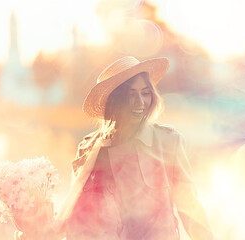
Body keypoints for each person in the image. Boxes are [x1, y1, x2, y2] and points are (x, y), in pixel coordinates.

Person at [15, 56, 213, 240]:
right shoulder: (89, 149)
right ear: (115, 100)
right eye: (131, 94)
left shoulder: (167, 142)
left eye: (145, 93)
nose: (140, 102)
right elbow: (77, 214)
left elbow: (189, 207)